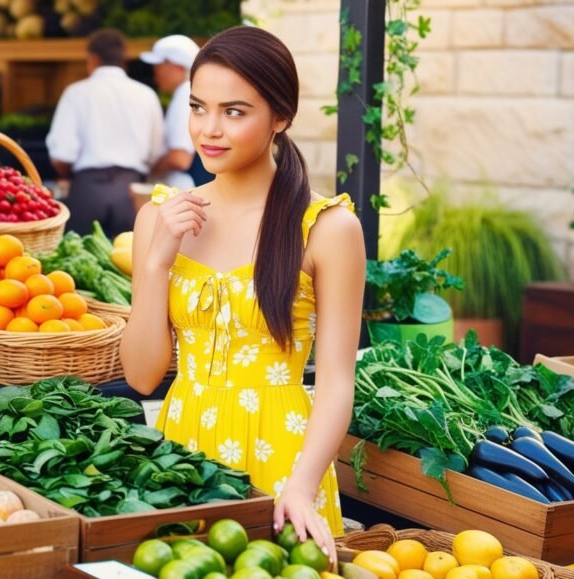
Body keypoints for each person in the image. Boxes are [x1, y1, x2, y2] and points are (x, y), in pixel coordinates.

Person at [119, 26, 365, 564]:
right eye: (198, 107)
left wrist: (302, 485)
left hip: (286, 456)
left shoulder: (327, 227)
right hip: (184, 454)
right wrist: (158, 258)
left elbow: (337, 382)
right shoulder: (159, 218)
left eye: (234, 111)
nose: (209, 130)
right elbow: (141, 376)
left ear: (280, 117)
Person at [46, 28, 164, 237]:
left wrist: (67, 176)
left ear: (92, 58)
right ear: (123, 59)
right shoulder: (146, 95)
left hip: (87, 190)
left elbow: (62, 154)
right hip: (132, 190)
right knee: (133, 262)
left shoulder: (76, 93)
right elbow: (156, 151)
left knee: (79, 260)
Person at [140, 35, 200, 190]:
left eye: (159, 65)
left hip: (183, 189)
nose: (155, 73)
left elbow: (179, 158)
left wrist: (151, 174)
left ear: (177, 66)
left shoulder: (186, 94)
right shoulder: (187, 92)